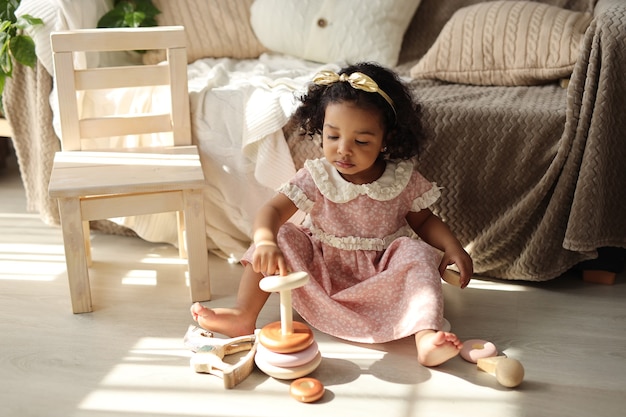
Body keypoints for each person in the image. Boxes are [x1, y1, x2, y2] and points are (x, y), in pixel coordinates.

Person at [191, 62, 473, 367]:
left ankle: (425, 336)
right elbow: (271, 210)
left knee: (416, 252)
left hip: (382, 275)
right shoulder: (317, 177)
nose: (343, 150)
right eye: (333, 136)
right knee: (283, 233)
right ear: (320, 129)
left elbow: (425, 221)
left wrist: (453, 246)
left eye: (361, 141)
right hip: (322, 271)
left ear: (386, 139)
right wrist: (266, 240)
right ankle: (243, 315)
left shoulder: (401, 179)